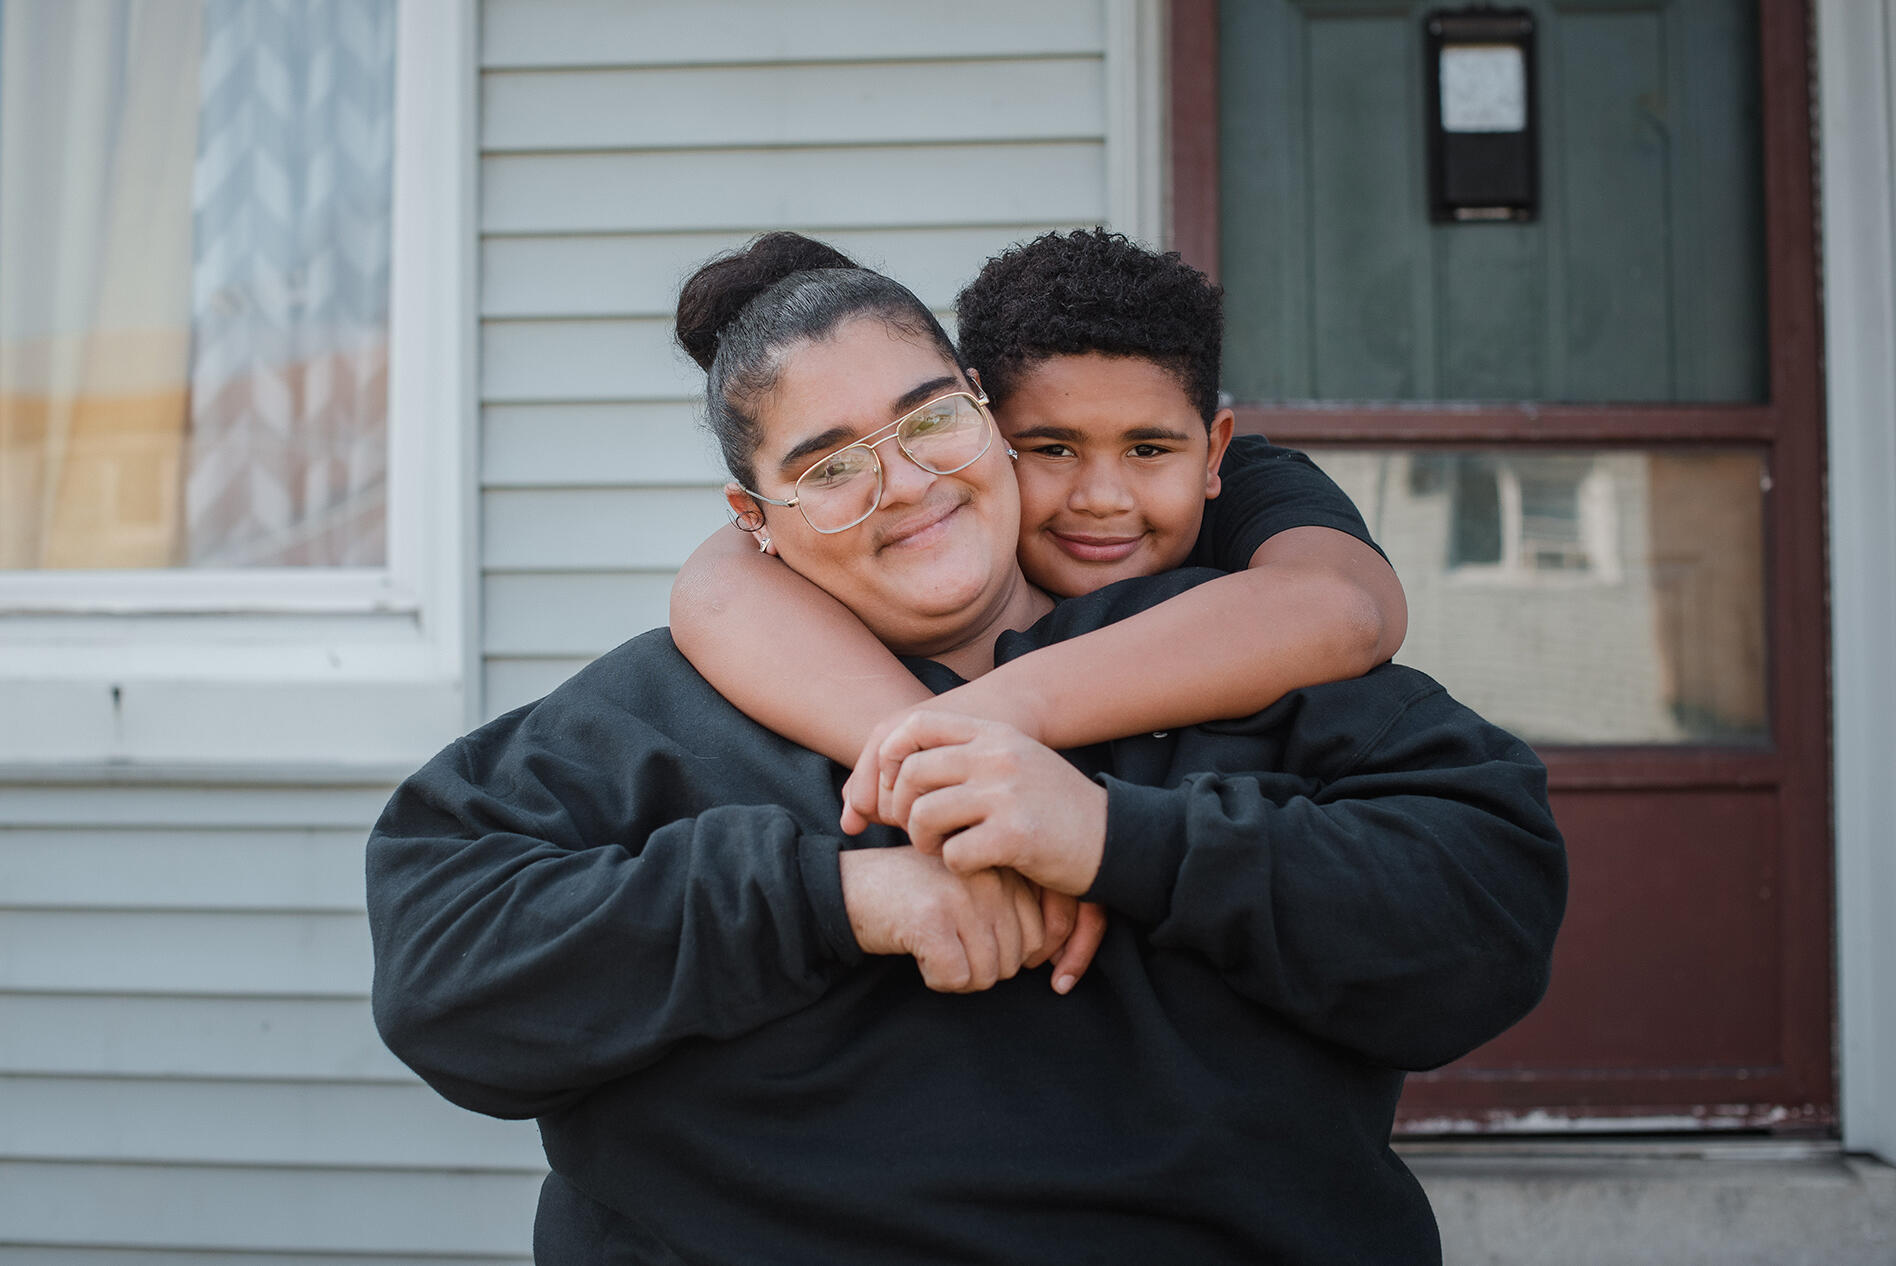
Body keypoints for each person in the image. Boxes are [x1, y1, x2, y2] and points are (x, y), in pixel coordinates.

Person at [367, 234, 1566, 1265]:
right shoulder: (650, 716)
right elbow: (447, 968)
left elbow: (1483, 909)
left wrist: (1116, 840)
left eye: (929, 420)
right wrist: (840, 896)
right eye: (829, 467)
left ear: (989, 415)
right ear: (754, 523)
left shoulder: (1227, 656)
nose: (905, 486)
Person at [670, 227, 1406, 990]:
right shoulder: (881, 519)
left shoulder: (1236, 485)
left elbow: (1342, 606)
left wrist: (983, 725)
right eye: (1049, 449)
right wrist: (934, 769)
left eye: (1147, 451)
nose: (1100, 497)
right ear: (991, 425)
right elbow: (717, 584)